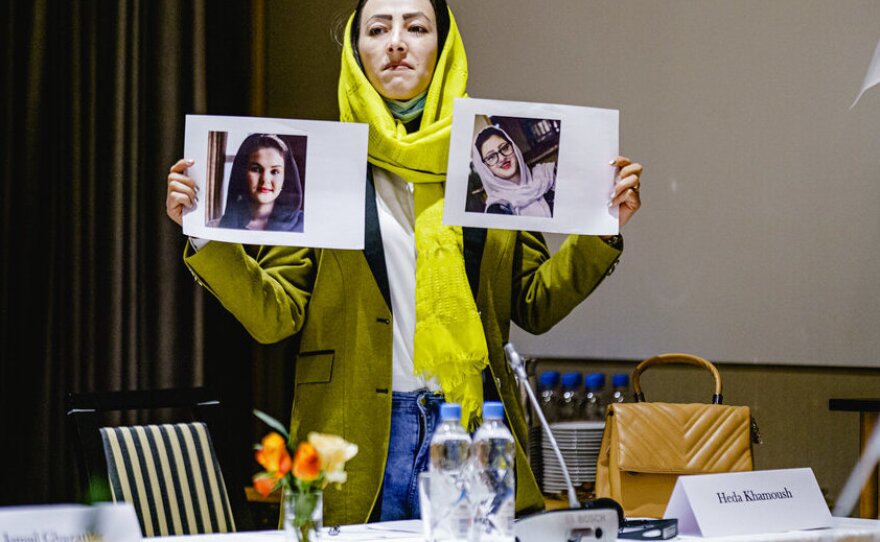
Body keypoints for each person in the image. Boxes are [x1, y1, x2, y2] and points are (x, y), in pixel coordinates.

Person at [165, 0, 643, 526]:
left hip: (470, 429)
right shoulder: (322, 162)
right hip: (354, 438)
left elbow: (534, 302)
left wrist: (602, 229)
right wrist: (206, 235)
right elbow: (274, 315)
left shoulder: (481, 163)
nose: (397, 42)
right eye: (378, 29)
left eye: (416, 27)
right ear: (356, 50)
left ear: (443, 49)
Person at [216, 133, 304, 232]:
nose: (265, 179)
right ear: (243, 173)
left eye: (275, 171)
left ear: (285, 177)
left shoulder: (304, 225)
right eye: (256, 169)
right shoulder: (219, 225)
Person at [471, 125, 556, 217]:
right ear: (485, 168)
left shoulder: (549, 174)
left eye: (504, 148)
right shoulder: (497, 209)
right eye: (491, 157)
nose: (502, 158)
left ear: (514, 147)